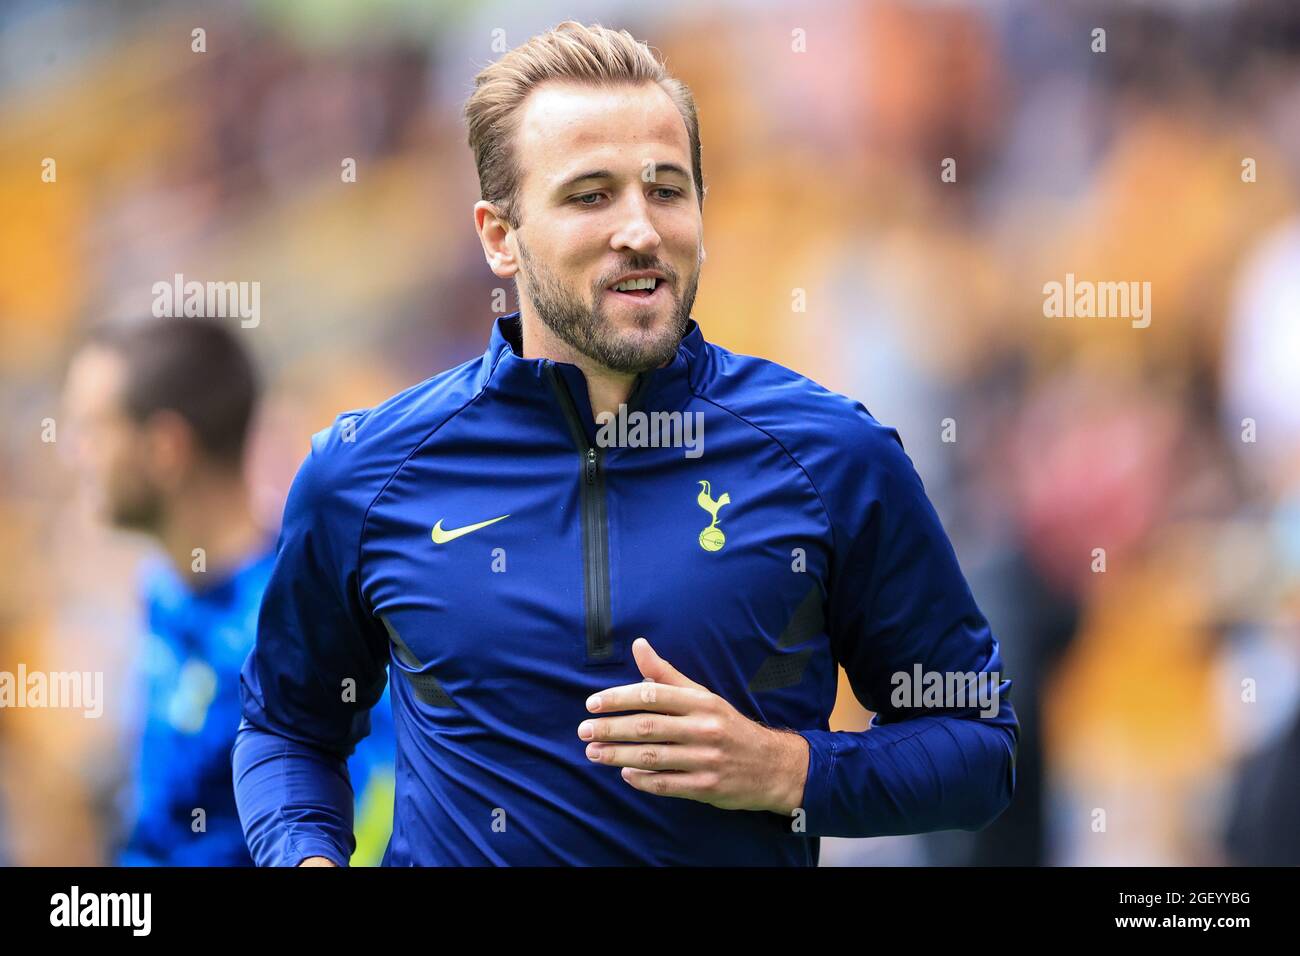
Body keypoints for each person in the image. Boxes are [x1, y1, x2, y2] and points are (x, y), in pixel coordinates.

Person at [234, 21, 1018, 867]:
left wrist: (788, 769)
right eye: (591, 195)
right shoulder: (365, 473)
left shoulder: (833, 455)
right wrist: (305, 858)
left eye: (667, 190)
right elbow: (285, 726)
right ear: (500, 236)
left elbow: (979, 750)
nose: (640, 229)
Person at [62, 318, 393, 865]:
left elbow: (359, 823)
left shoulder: (301, 620)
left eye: (94, 430)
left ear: (165, 448)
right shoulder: (163, 593)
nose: (75, 452)